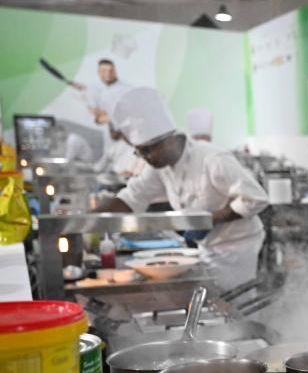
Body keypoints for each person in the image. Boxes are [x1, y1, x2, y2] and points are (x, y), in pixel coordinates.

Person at [97, 87, 269, 291]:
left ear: (169, 140)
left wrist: (212, 218)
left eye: (148, 151)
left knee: (233, 304)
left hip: (238, 247)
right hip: (206, 246)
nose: (147, 159)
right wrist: (84, 221)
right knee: (210, 299)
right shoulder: (160, 167)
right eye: (140, 153)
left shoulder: (212, 159)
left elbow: (256, 198)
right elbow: (133, 196)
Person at [71, 59, 130, 126]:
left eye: (111, 70)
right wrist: (84, 91)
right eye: (103, 71)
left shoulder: (127, 89)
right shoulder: (93, 88)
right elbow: (96, 115)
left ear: (115, 71)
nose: (107, 74)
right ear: (99, 72)